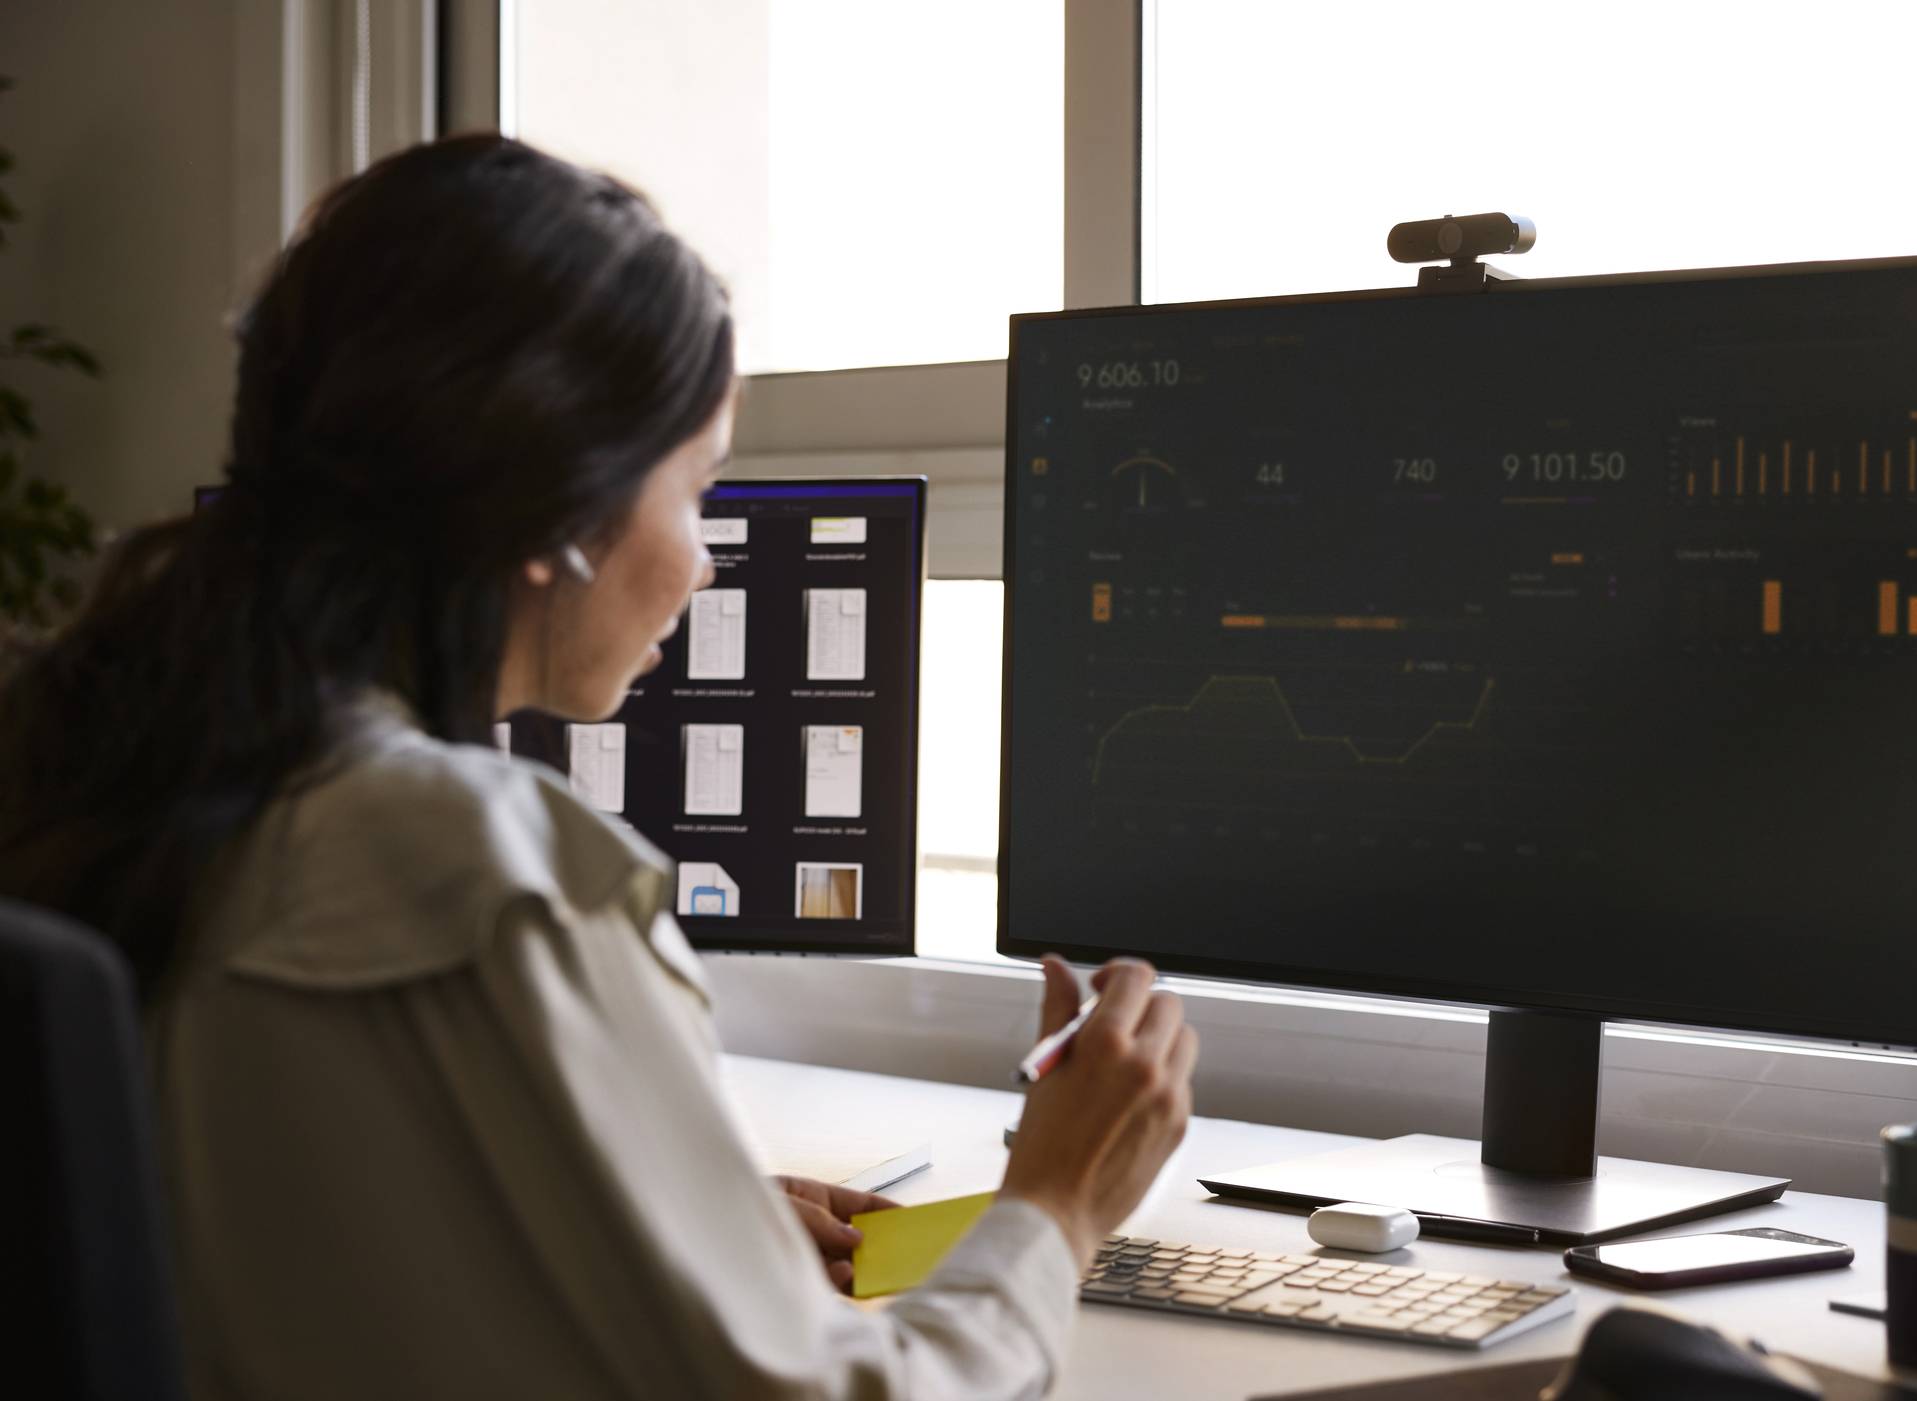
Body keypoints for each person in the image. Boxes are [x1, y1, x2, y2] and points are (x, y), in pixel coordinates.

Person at [0, 135, 1198, 1399]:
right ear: (557, 519)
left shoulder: (113, 777)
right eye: (697, 491)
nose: (707, 561)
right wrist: (1057, 1206)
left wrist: (681, 1219)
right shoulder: (478, 875)